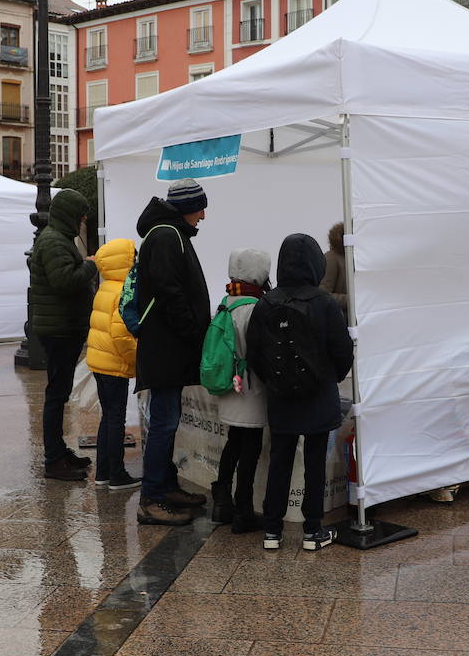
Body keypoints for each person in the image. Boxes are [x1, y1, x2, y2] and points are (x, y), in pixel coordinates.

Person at [248, 233, 353, 552]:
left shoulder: (267, 301)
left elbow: (254, 353)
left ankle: (271, 531)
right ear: (314, 263)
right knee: (314, 463)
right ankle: (312, 531)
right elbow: (343, 350)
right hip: (319, 395)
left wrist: (274, 381)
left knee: (279, 460)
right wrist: (329, 378)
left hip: (281, 398)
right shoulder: (323, 302)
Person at [133, 179, 212, 527]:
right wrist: (192, 331)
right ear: (187, 207)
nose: (204, 215)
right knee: (164, 424)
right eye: (200, 207)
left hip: (168, 348)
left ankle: (165, 487)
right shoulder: (167, 235)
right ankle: (151, 498)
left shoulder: (169, 232)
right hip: (167, 348)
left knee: (167, 421)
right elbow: (169, 293)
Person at [30, 188, 100, 481]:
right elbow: (64, 281)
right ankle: (53, 460)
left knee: (58, 394)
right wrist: (91, 265)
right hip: (59, 329)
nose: (83, 220)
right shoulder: (53, 241)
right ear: (70, 214)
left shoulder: (58, 239)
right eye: (81, 215)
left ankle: (59, 452)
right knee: (56, 395)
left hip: (63, 327)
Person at [210, 248, 271, 533]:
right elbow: (259, 352)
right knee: (251, 447)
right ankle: (243, 509)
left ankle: (221, 501)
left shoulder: (226, 302)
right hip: (250, 388)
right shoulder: (255, 306)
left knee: (234, 441)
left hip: (229, 387)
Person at [84, 237, 140, 491]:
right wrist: (136, 360)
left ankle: (103, 473)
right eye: (133, 257)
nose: (137, 261)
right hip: (113, 363)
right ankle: (117, 474)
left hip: (99, 361)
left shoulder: (105, 288)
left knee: (108, 416)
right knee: (115, 417)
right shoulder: (123, 291)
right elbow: (121, 335)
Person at [321, 221, 349, 309]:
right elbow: (323, 296)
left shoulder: (360, 258)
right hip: (341, 318)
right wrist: (353, 299)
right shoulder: (331, 258)